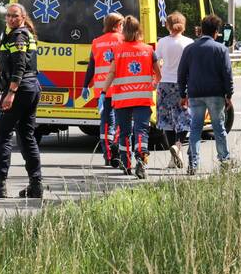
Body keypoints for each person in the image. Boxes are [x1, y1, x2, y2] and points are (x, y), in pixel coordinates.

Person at [0, 3, 43, 199]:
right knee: (26, 136)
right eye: (8, 16)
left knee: (3, 133)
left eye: (15, 16)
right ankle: (36, 185)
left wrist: (11, 92)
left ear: (23, 17)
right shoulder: (20, 34)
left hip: (19, 89)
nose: (11, 19)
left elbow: (20, 65)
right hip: (31, 87)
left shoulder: (19, 36)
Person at [103, 16, 161, 179]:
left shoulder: (117, 50)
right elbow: (158, 73)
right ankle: (141, 160)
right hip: (142, 98)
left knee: (124, 133)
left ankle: (126, 164)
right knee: (141, 130)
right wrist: (154, 84)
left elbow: (111, 73)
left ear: (124, 31)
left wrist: (103, 92)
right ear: (138, 30)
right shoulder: (148, 50)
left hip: (122, 98)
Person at [178, 14, 234, 175]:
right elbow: (227, 74)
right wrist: (229, 94)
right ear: (216, 32)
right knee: (219, 128)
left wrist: (183, 94)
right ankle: (224, 161)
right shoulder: (221, 49)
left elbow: (181, 73)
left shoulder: (189, 49)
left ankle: (193, 163)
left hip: (195, 94)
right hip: (216, 94)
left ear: (201, 30)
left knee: (195, 128)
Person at [81, 12, 124, 167]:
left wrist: (85, 85)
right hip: (119, 88)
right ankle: (117, 152)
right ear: (117, 25)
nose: (122, 27)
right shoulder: (123, 40)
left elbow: (91, 66)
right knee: (120, 122)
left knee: (105, 123)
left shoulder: (96, 42)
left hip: (102, 90)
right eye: (122, 24)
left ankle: (107, 154)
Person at [155, 11, 193, 168]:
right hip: (182, 84)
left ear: (167, 25)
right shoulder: (189, 42)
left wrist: (158, 76)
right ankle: (177, 146)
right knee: (184, 117)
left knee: (167, 120)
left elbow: (156, 60)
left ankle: (173, 158)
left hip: (165, 83)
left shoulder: (162, 42)